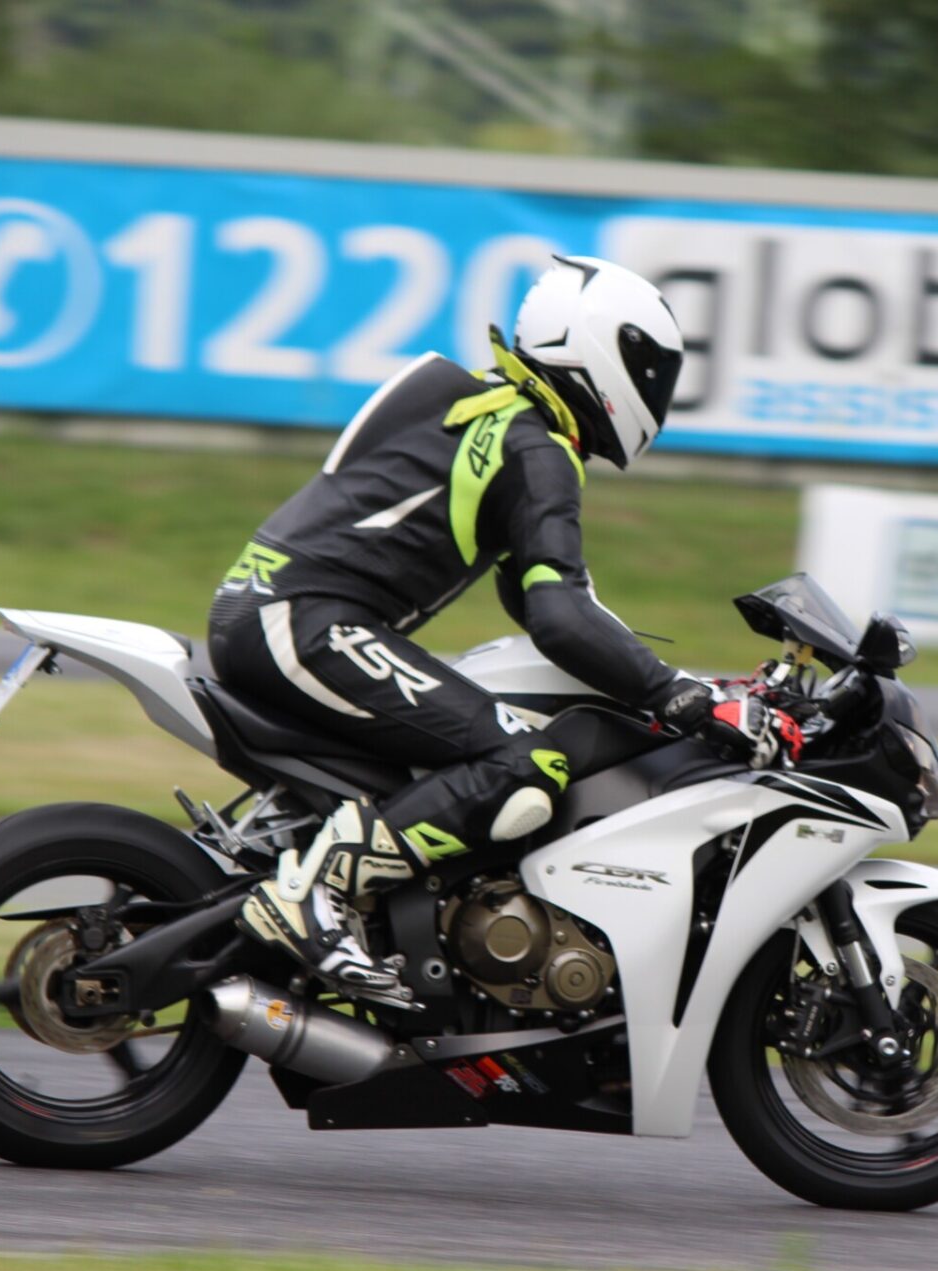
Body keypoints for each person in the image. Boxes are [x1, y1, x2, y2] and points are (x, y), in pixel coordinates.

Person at [208, 256, 788, 1008]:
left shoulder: (495, 415)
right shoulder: (536, 448)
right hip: (304, 621)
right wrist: (683, 699)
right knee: (524, 762)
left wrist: (688, 687)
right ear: (593, 348)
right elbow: (560, 618)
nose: (654, 391)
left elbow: (560, 606)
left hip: (280, 612)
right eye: (648, 370)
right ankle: (315, 896)